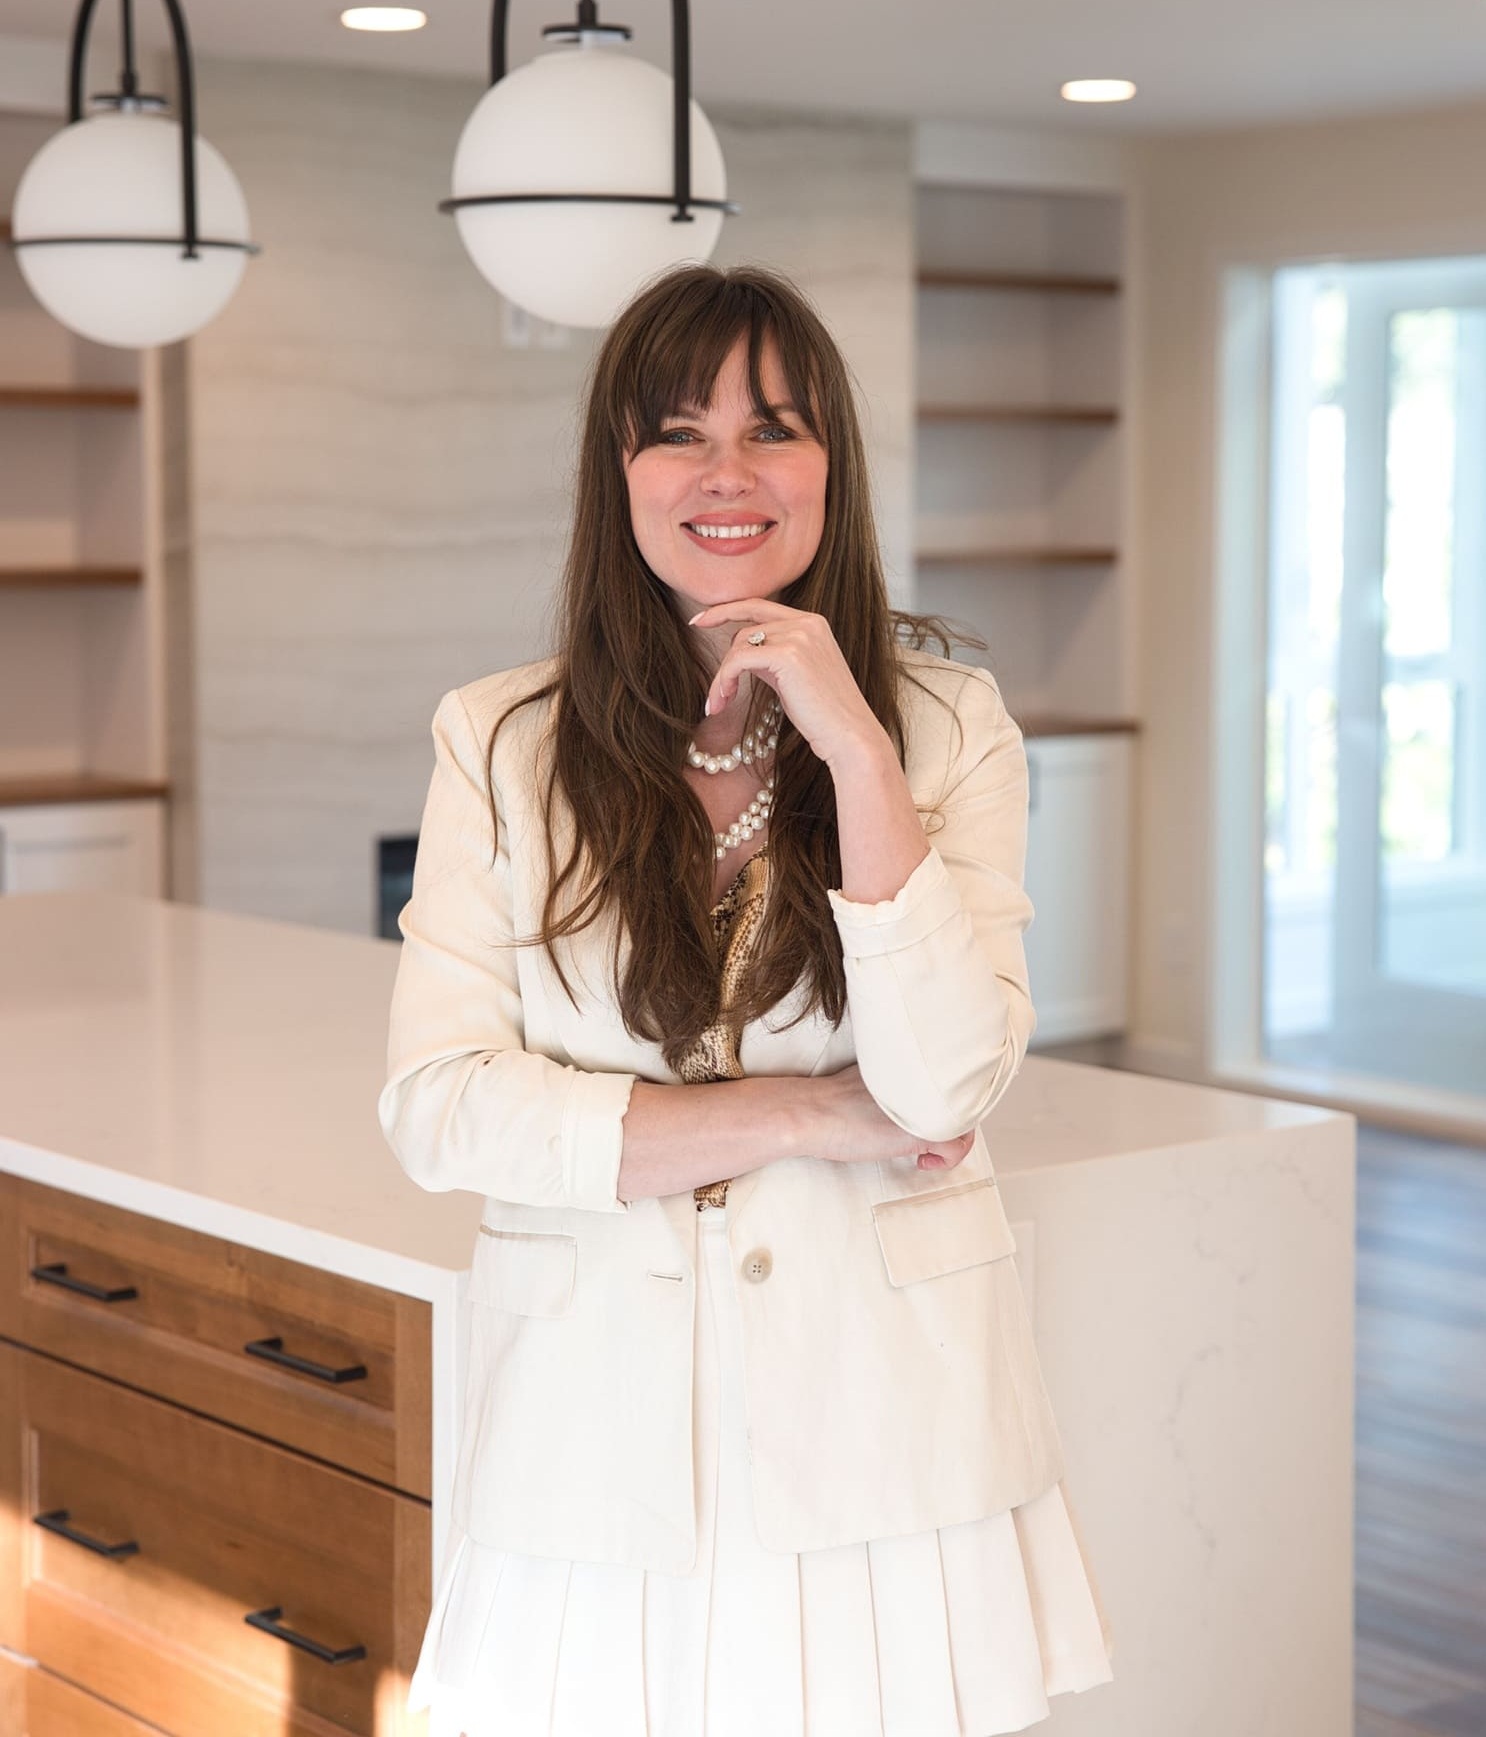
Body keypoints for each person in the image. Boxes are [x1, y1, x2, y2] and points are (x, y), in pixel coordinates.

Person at [378, 262, 1115, 1737]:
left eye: (773, 428)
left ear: (831, 463)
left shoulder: (945, 726)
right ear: (621, 473)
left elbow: (948, 1086)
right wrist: (801, 1113)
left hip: (885, 1435)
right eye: (678, 432)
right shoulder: (500, 739)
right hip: (593, 1443)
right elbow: (440, 1108)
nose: (729, 474)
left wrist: (857, 748)